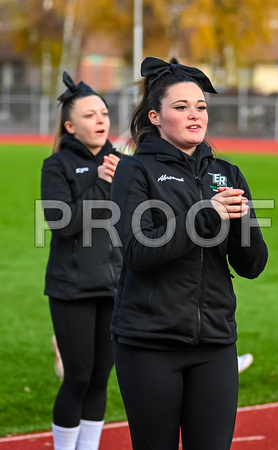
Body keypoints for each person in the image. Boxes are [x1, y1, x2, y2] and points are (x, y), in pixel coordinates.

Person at [110, 57, 268, 450]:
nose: (194, 115)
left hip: (215, 344)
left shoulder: (227, 173)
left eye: (200, 107)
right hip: (149, 345)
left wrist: (242, 221)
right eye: (181, 107)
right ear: (156, 117)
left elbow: (252, 266)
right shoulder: (134, 172)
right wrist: (204, 215)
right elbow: (137, 250)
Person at [41, 72, 122, 450]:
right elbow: (63, 223)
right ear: (71, 126)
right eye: (90, 115)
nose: (101, 120)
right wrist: (104, 184)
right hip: (71, 288)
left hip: (114, 288)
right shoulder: (56, 166)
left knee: (100, 377)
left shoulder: (122, 163)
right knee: (77, 376)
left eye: (104, 112)